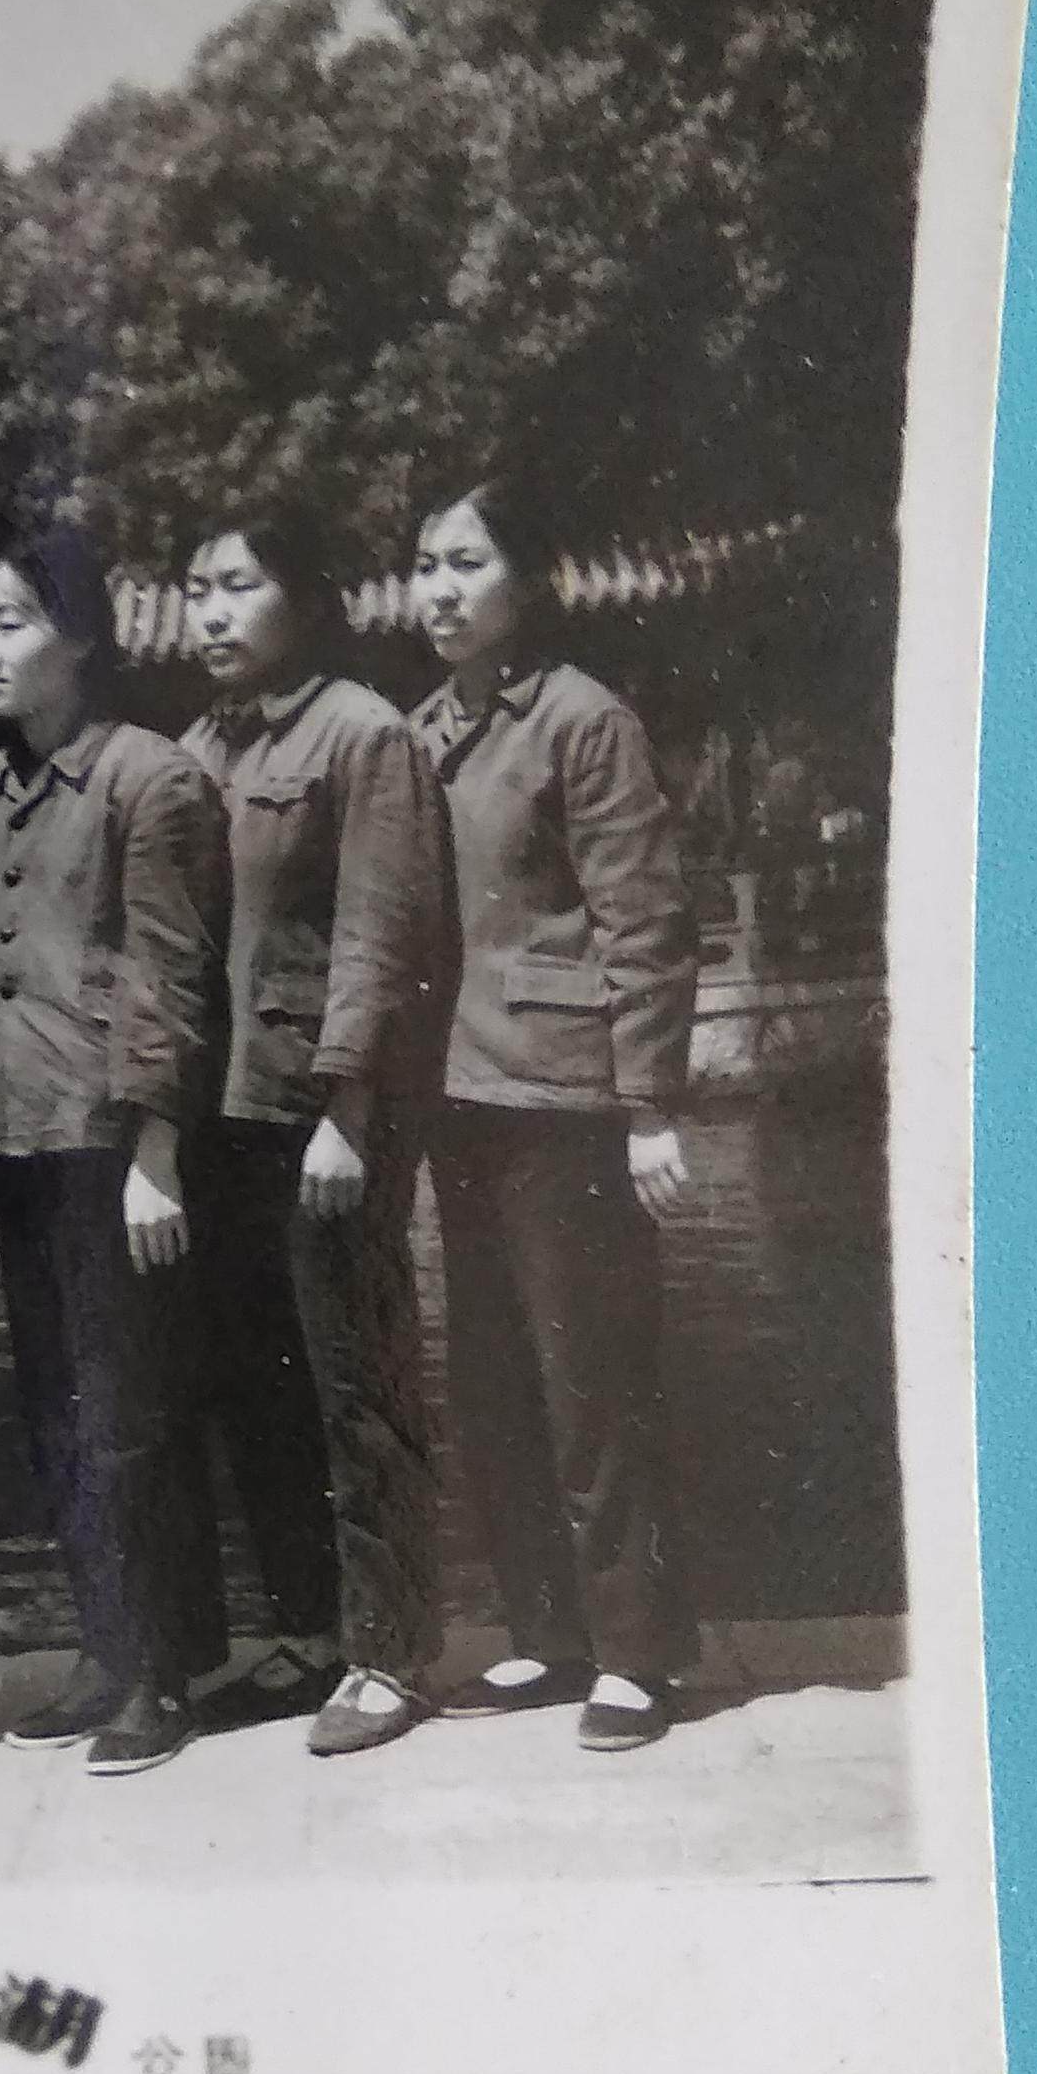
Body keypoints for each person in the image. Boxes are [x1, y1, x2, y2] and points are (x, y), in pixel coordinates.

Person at [408, 476, 699, 1751]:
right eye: (424, 565)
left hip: (567, 1100)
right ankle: (545, 1634)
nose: (439, 589)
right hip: (458, 1102)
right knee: (492, 1384)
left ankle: (637, 1650)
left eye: (466, 562)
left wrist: (650, 1106)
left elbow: (643, 918)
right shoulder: (424, 732)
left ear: (526, 578)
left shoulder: (583, 720)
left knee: (590, 1380)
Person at [0, 537, 229, 1775]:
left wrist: (157, 1146)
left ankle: (164, 1671)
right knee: (57, 1417)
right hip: (18, 1140)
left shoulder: (149, 780)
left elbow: (173, 973)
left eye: (10, 621)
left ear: (79, 637)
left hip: (115, 1146)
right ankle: (107, 1650)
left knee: (131, 1415)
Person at [180, 525, 456, 1756]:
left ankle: (390, 1655)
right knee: (258, 1386)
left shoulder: (363, 733)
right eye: (196, 590)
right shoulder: (197, 751)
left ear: (306, 597)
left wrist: (348, 1107)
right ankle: (304, 1635)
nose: (212, 611)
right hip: (223, 1113)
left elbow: (378, 937)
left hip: (321, 1114)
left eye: (239, 585)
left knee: (356, 1381)